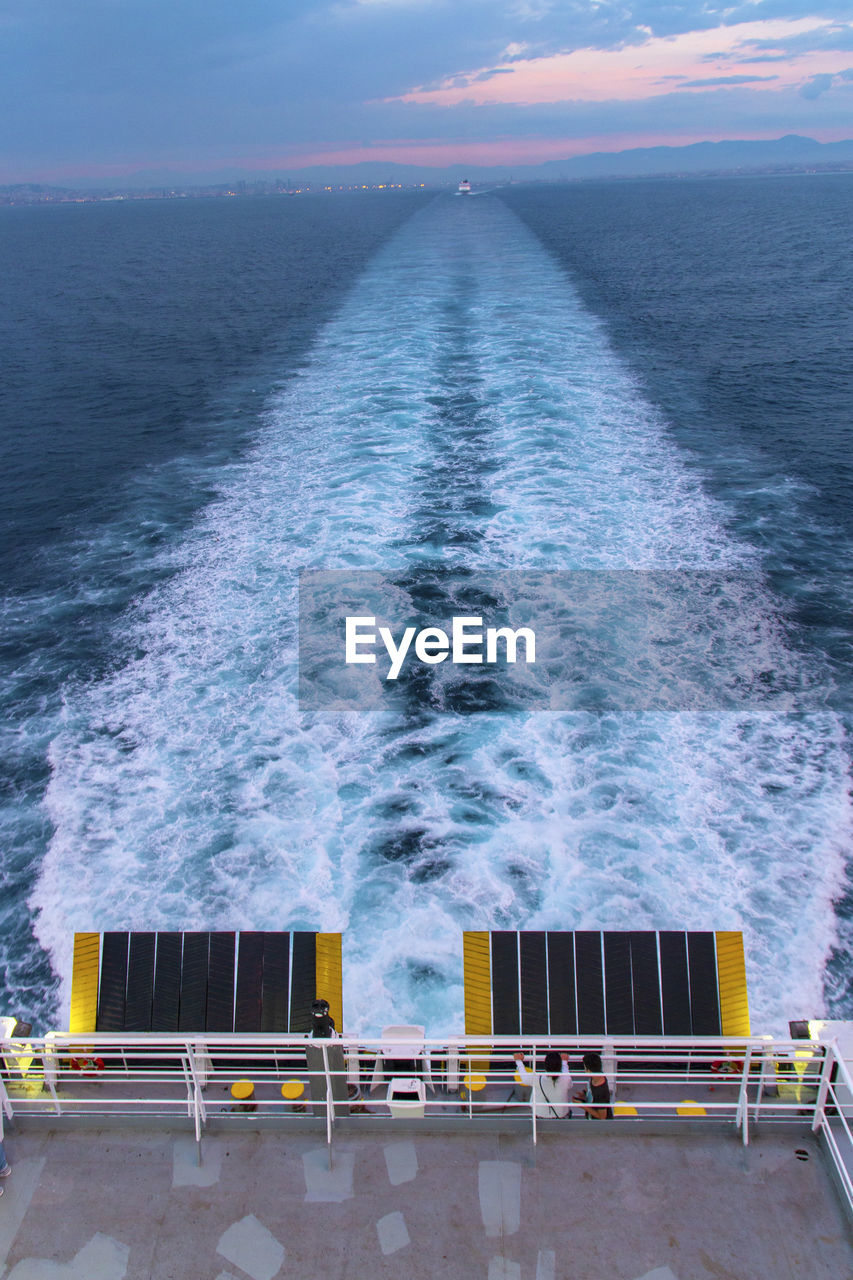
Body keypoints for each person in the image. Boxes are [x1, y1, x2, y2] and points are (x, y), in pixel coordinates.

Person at [512, 1050, 573, 1118]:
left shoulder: (538, 1078)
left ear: (545, 1065)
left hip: (540, 1116)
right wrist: (564, 1062)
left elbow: (524, 1079)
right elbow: (568, 1082)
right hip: (560, 1116)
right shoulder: (565, 1079)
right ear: (560, 1066)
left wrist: (519, 1061)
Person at [574, 1051, 612, 1118]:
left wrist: (582, 1105)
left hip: (598, 1126)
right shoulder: (596, 1076)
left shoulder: (601, 1092)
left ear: (588, 1070)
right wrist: (584, 1094)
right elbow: (591, 1090)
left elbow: (602, 1117)